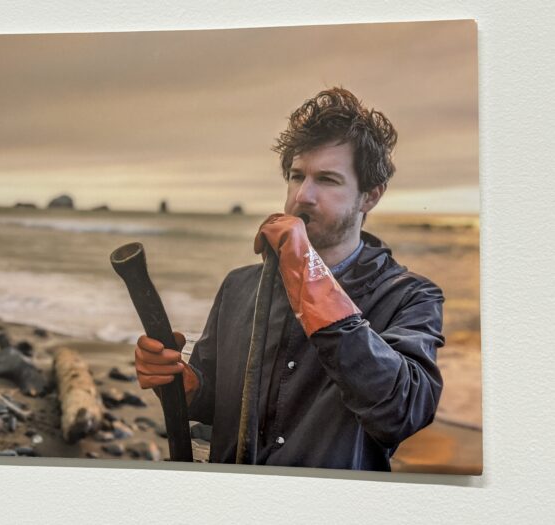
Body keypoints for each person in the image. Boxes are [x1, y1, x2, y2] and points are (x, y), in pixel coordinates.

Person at [133, 87, 444, 471]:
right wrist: (184, 385)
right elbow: (214, 403)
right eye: (297, 176)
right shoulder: (239, 286)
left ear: (370, 196)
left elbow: (403, 411)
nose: (302, 196)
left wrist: (309, 277)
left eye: (327, 180)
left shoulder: (410, 296)